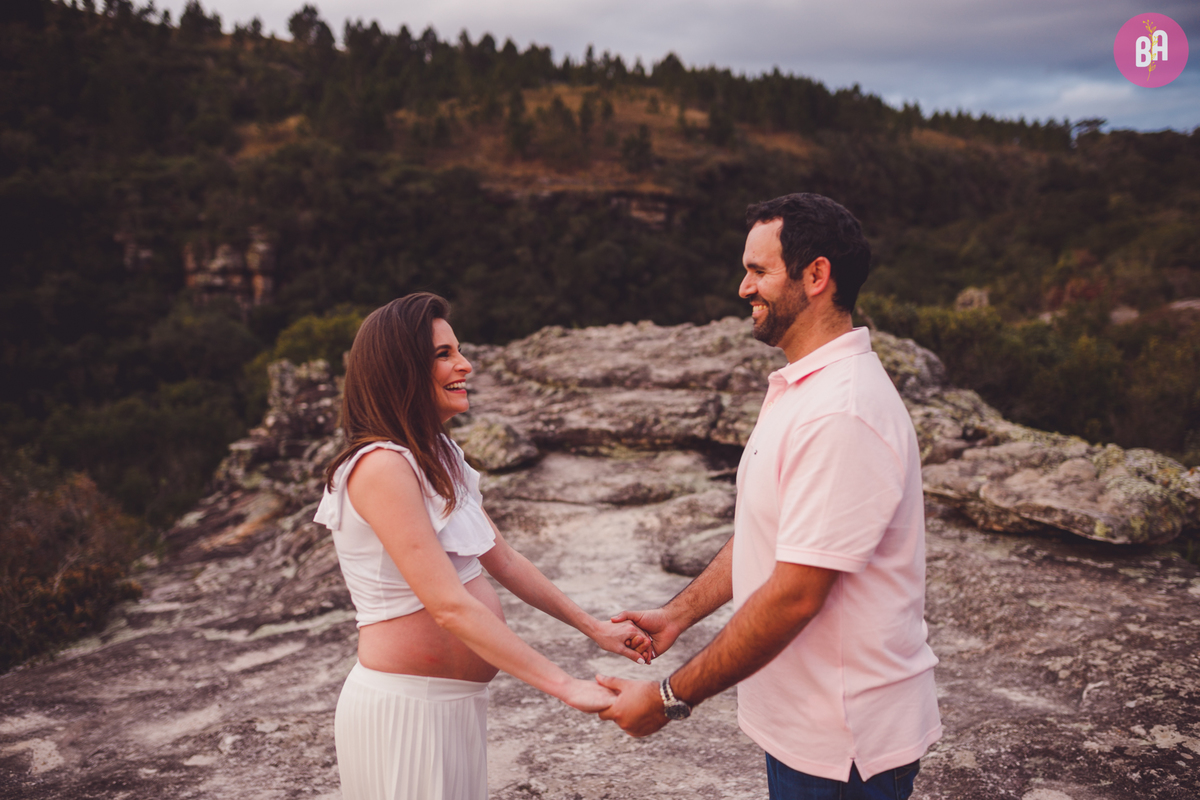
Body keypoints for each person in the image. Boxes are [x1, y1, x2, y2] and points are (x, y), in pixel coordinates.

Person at [597, 193, 942, 799]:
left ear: (816, 276)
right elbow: (773, 532)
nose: (742, 287)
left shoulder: (842, 411)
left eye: (759, 271)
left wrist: (668, 699)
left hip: (844, 749)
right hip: (808, 736)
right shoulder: (802, 387)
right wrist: (680, 613)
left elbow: (794, 597)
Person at [314, 293, 652, 800]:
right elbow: (449, 606)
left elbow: (505, 560)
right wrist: (566, 686)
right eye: (443, 354)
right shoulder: (381, 465)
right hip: (406, 712)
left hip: (456, 706)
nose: (464, 365)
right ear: (400, 369)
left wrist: (594, 628)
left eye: (459, 350)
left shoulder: (437, 454)